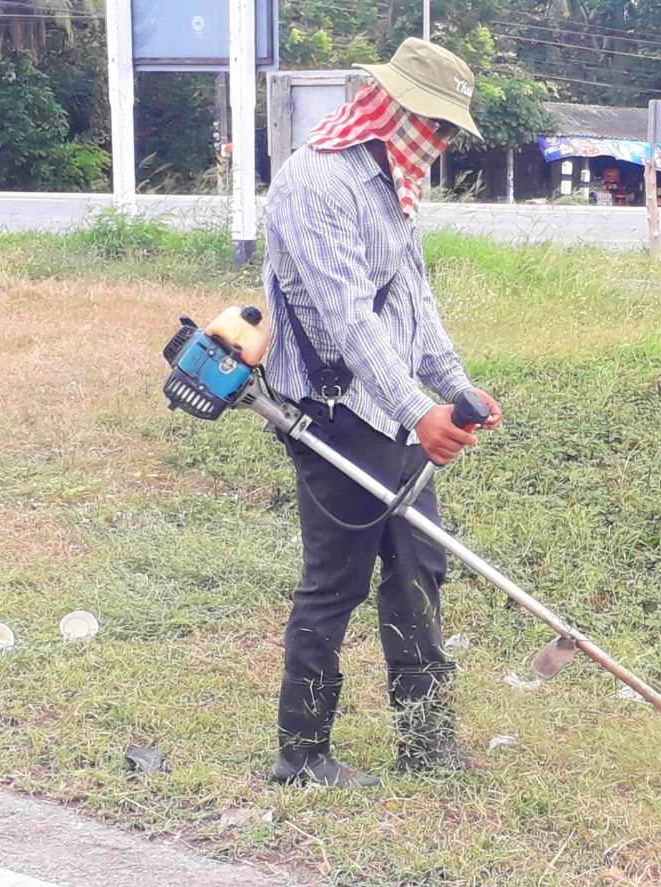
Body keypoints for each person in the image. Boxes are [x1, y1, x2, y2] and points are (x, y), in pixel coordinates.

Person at [261, 38, 501, 788]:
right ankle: (301, 756)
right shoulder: (317, 181)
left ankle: (425, 744)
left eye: (447, 129)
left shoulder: (393, 182)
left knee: (417, 571)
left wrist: (454, 387)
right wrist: (417, 408)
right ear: (392, 106)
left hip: (395, 416)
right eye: (431, 121)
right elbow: (345, 318)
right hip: (331, 411)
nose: (438, 141)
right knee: (336, 581)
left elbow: (411, 302)